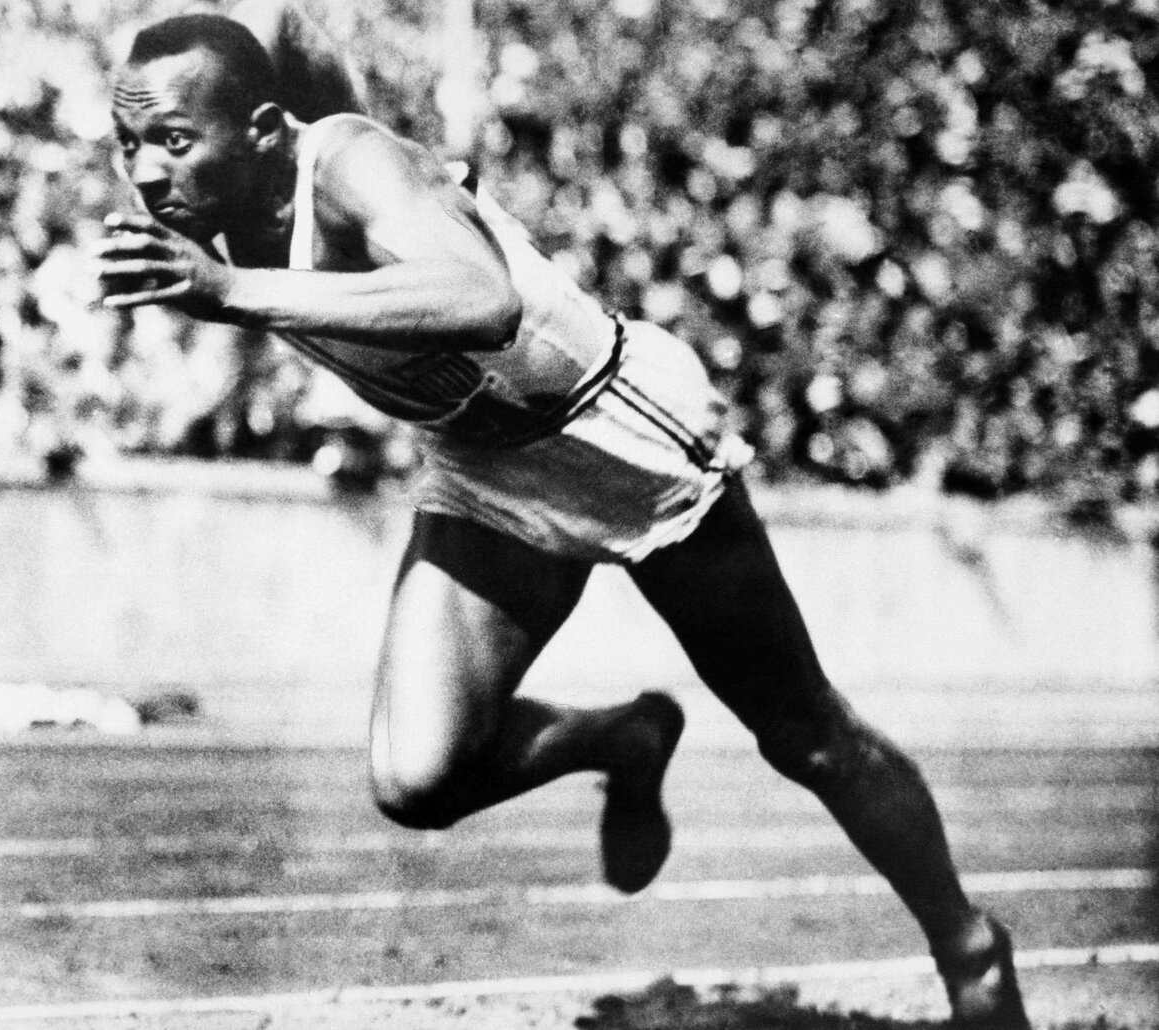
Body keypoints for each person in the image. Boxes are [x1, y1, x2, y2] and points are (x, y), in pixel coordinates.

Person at [93, 13, 1031, 1027]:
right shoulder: (226, 210)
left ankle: (966, 942)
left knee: (804, 734)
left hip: (615, 437)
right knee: (417, 777)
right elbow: (288, 36)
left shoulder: (352, 165)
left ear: (265, 129)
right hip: (484, 469)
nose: (147, 173)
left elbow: (481, 298)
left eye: (175, 142)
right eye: (130, 143)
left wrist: (235, 293)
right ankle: (621, 739)